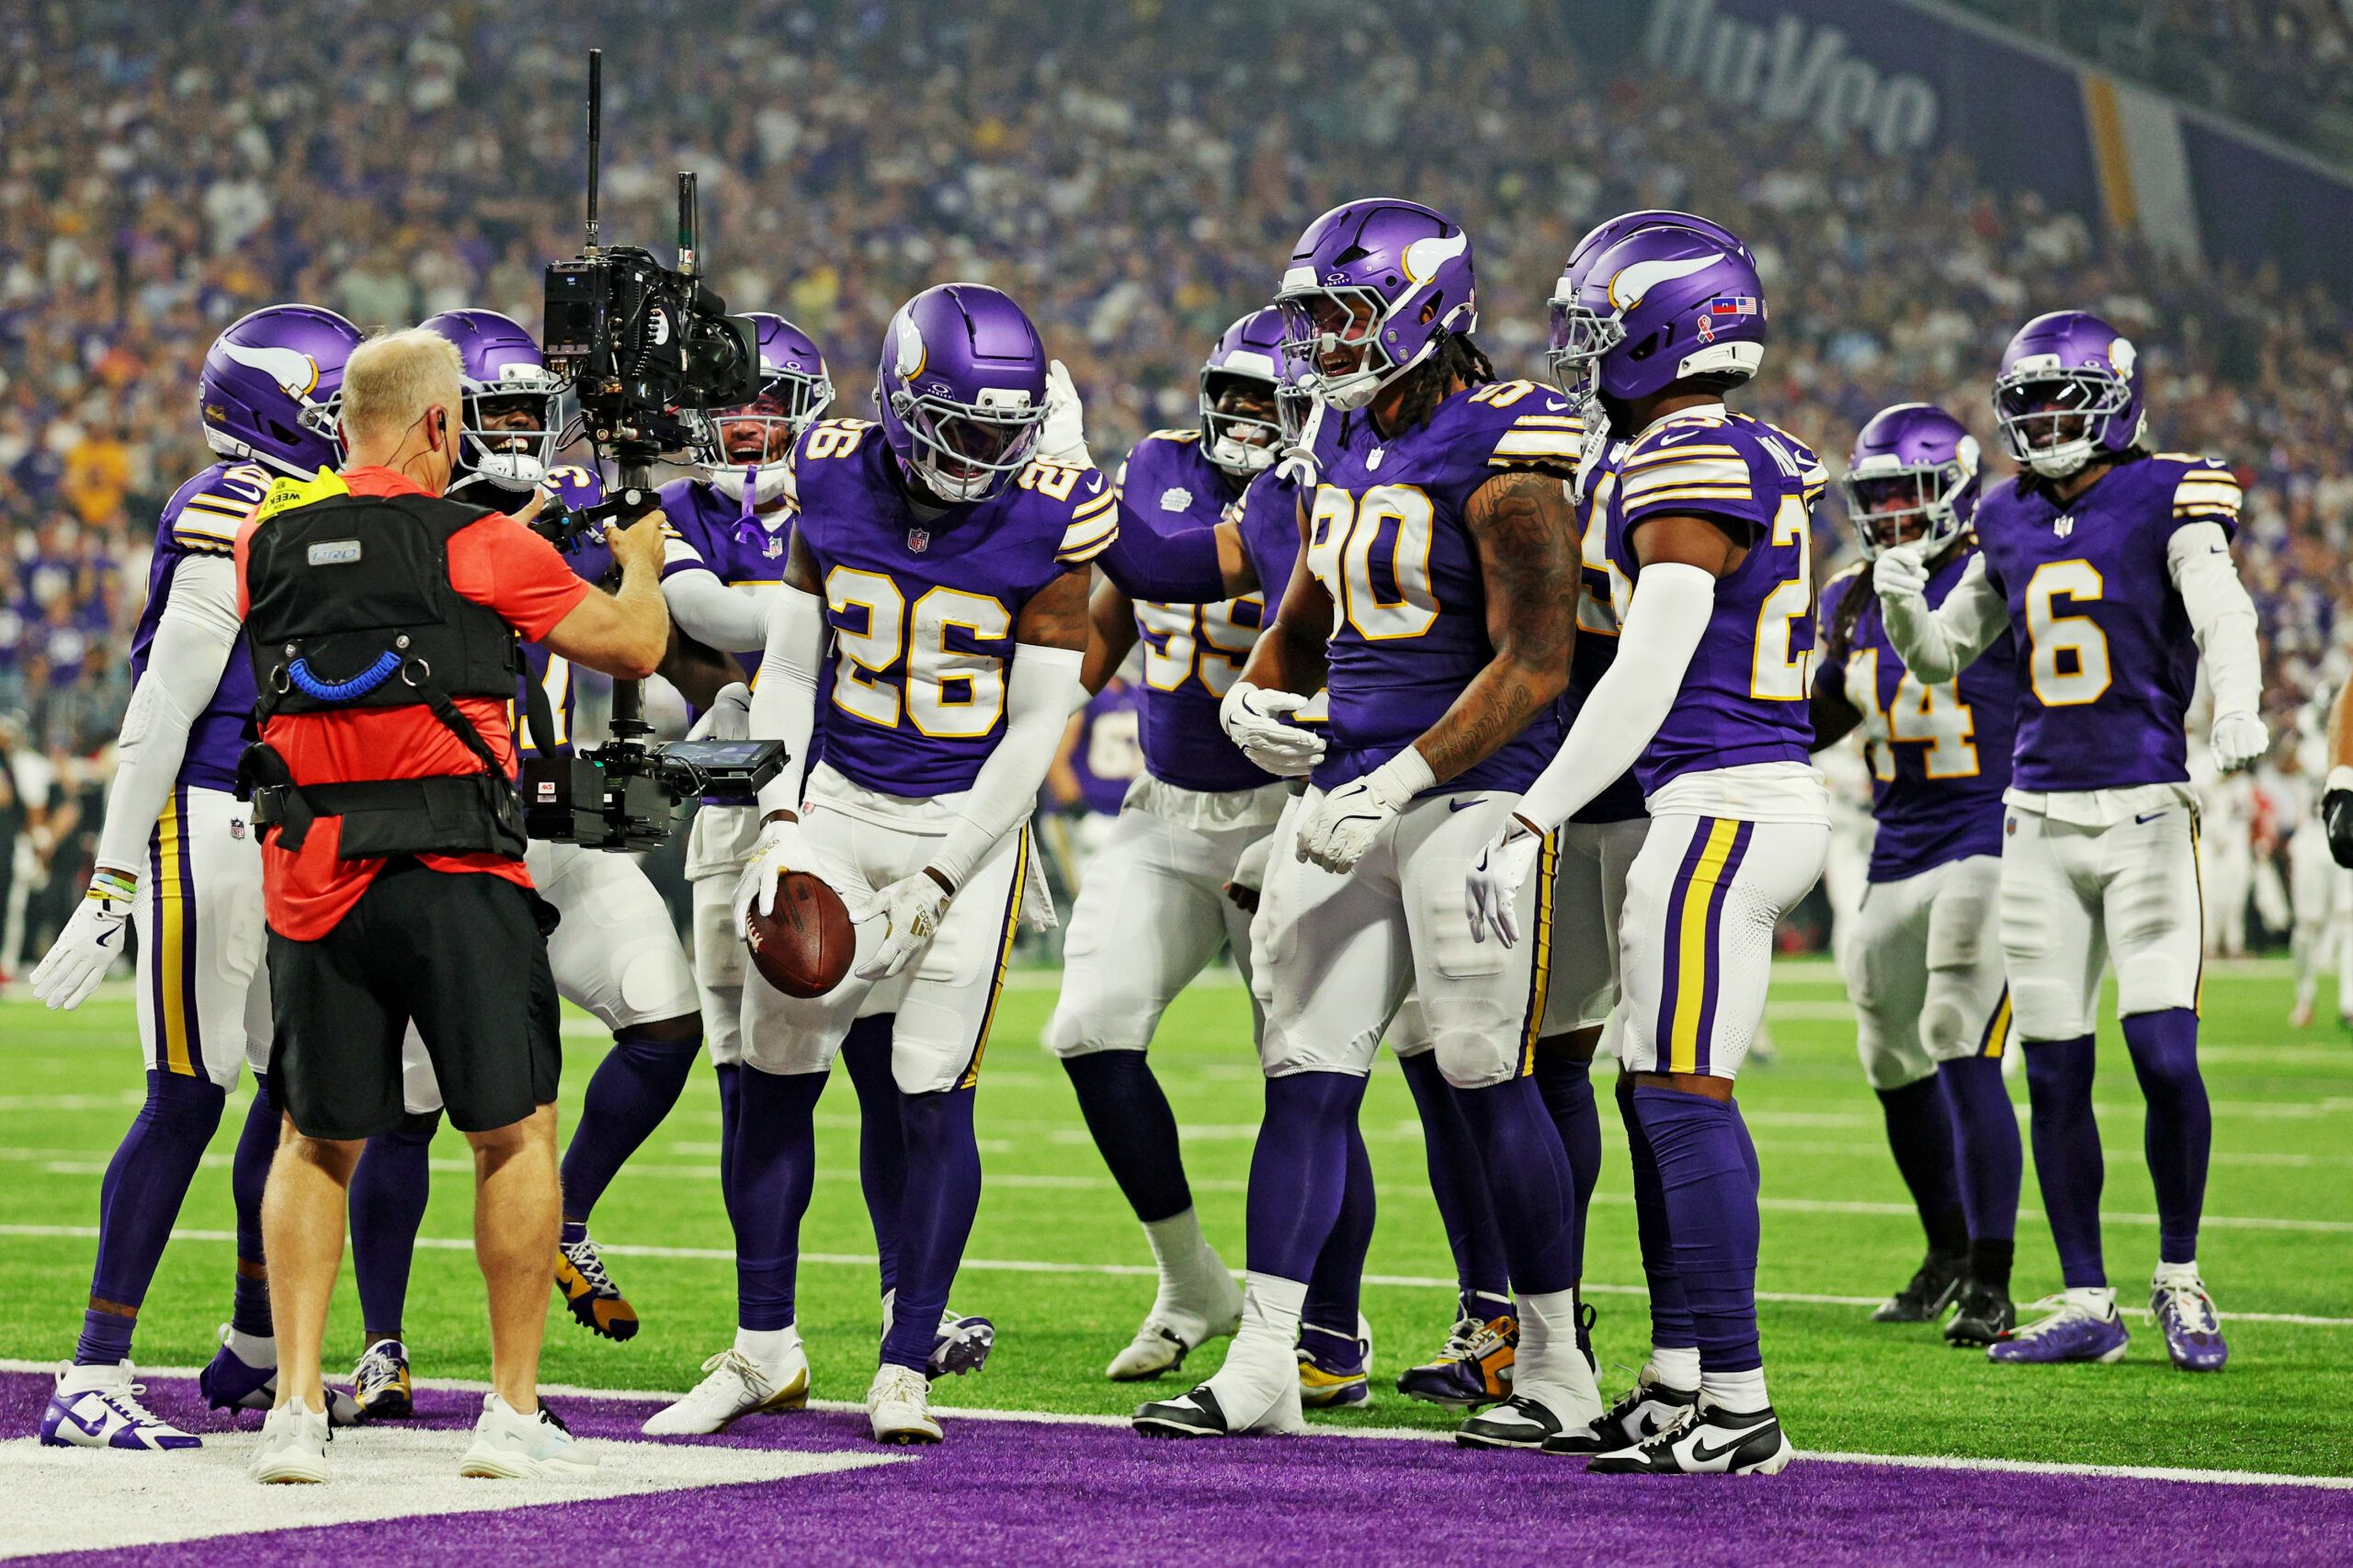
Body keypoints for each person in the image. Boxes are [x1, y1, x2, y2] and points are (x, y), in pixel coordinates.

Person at [1133, 199, 1599, 1448]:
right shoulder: (1339, 437)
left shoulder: (1508, 448)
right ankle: (1271, 1361)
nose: (1324, 341)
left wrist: (1397, 781)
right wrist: (1257, 694)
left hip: (1476, 794)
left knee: (1483, 1073)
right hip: (1348, 792)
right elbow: (1303, 612)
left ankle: (1557, 1366)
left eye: (1343, 313)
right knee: (1304, 1073)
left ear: (1424, 308)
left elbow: (1537, 661)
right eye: (1312, 318)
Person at [653, 283, 1099, 1447]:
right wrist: (786, 820)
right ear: (903, 403)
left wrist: (944, 878)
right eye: (961, 430)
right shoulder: (835, 470)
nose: (984, 458)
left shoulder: (1054, 513)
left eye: (1005, 433)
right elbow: (794, 671)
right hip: (838, 800)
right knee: (774, 1067)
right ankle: (762, 1347)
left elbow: (1034, 725)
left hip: (967, 822)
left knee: (928, 1086)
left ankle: (906, 1360)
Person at [232, 327, 670, 1483]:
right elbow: (631, 646)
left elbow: (371, 588)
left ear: (345, 423)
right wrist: (641, 558)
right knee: (510, 1132)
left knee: (313, 1140)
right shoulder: (480, 541)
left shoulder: (261, 539)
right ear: (442, 426)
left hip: (314, 878)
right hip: (455, 872)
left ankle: (294, 1406)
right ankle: (510, 1407)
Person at [1471, 221, 1827, 1474]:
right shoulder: (1746, 448)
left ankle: (1738, 1399)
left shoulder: (1683, 452)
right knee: (1658, 1085)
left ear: (1670, 328)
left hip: (1718, 802)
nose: (1580, 351)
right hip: (1744, 790)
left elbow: (1658, 660)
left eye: (1598, 325)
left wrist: (1532, 808)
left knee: (1682, 1096)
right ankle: (1683, 1373)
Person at [335, 308, 707, 1422]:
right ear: (436, 424)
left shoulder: (542, 524)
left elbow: (653, 645)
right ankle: (382, 1347)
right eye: (492, 416)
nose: (513, 439)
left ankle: (567, 1216)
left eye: (530, 416)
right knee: (406, 1110)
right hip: (441, 843)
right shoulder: (402, 527)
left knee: (664, 1020)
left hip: (553, 837)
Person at [1874, 310, 2264, 1371]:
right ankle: (2086, 1296)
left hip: (2144, 812)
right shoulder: (2000, 515)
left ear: (2115, 398)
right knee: (2050, 1072)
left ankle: (2178, 1275)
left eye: (2063, 400)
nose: (2043, 421)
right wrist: (1903, 602)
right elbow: (1947, 654)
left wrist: (2235, 698)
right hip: (2036, 820)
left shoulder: (2169, 488)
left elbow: (2220, 605)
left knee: (2162, 1053)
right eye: (2027, 404)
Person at [29, 305, 366, 1451]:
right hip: (213, 812)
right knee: (187, 1091)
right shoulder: (230, 503)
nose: (346, 423)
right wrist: (113, 878)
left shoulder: (313, 504)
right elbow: (165, 703)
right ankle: (92, 1369)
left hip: (295, 818)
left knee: (299, 1085)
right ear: (274, 409)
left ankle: (257, 1341)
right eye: (331, 403)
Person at [1042, 311, 1287, 1385]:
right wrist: (1038, 734)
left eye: (1265, 398)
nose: (1241, 416)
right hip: (1163, 802)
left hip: (1286, 809)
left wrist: (1067, 470)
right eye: (1229, 392)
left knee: (1305, 1069)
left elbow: (1156, 560)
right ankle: (1190, 1279)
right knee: (1090, 1026)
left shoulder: (1319, 487)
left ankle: (1319, 1322)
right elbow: (1117, 605)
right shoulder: (1156, 464)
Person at [1810, 403, 2023, 1347]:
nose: (1893, 513)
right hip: (1898, 839)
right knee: (1885, 1048)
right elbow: (1819, 713)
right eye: (1878, 496)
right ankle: (1943, 1251)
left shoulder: (1999, 573)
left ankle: (1990, 1276)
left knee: (1955, 1029)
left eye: (1910, 493)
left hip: (1992, 827)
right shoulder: (1850, 597)